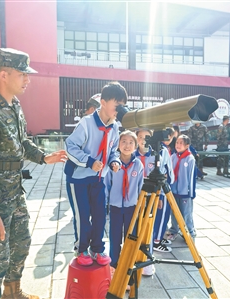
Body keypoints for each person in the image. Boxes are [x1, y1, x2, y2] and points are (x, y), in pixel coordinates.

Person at [0, 48, 67, 299]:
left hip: (15, 194)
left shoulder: (14, 106)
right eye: (22, 74)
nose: (27, 80)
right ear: (4, 75)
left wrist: (43, 157)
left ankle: (13, 293)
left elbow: (22, 143)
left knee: (21, 246)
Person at [64, 81, 127, 266]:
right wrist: (90, 162)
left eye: (122, 105)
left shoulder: (114, 127)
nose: (119, 109)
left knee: (100, 215)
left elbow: (113, 149)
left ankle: (97, 248)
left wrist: (114, 161)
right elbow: (70, 146)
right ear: (103, 101)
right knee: (83, 215)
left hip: (99, 179)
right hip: (78, 178)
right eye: (117, 105)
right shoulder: (86, 123)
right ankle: (81, 248)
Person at [135, 128, 174, 276]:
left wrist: (161, 195)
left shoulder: (162, 153)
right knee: (134, 229)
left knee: (149, 228)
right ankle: (134, 257)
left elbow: (169, 175)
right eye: (140, 137)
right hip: (135, 198)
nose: (144, 140)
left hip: (153, 196)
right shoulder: (132, 153)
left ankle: (147, 260)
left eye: (147, 137)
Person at [105, 130, 143, 271]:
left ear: (136, 145)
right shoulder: (113, 164)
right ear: (118, 144)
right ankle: (113, 264)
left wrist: (140, 206)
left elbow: (140, 187)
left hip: (131, 207)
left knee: (130, 236)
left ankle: (127, 263)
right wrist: (106, 204)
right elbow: (107, 185)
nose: (127, 145)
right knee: (115, 237)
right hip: (115, 206)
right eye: (124, 142)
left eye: (131, 142)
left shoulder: (138, 165)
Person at [168, 135, 196, 242]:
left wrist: (191, 192)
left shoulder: (190, 158)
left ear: (187, 145)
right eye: (177, 143)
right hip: (174, 191)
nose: (178, 145)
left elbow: (192, 176)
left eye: (181, 143)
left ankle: (190, 231)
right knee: (174, 212)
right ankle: (174, 230)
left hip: (185, 192)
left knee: (186, 213)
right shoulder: (173, 157)